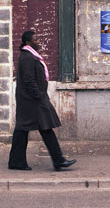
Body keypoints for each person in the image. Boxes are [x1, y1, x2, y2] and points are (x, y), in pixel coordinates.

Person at [8, 30, 77, 171]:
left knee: (27, 130)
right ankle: (57, 160)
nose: (38, 41)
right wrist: (38, 95)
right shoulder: (27, 57)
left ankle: (18, 161)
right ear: (28, 42)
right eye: (35, 39)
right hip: (32, 101)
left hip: (31, 100)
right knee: (41, 128)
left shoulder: (30, 56)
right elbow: (28, 79)